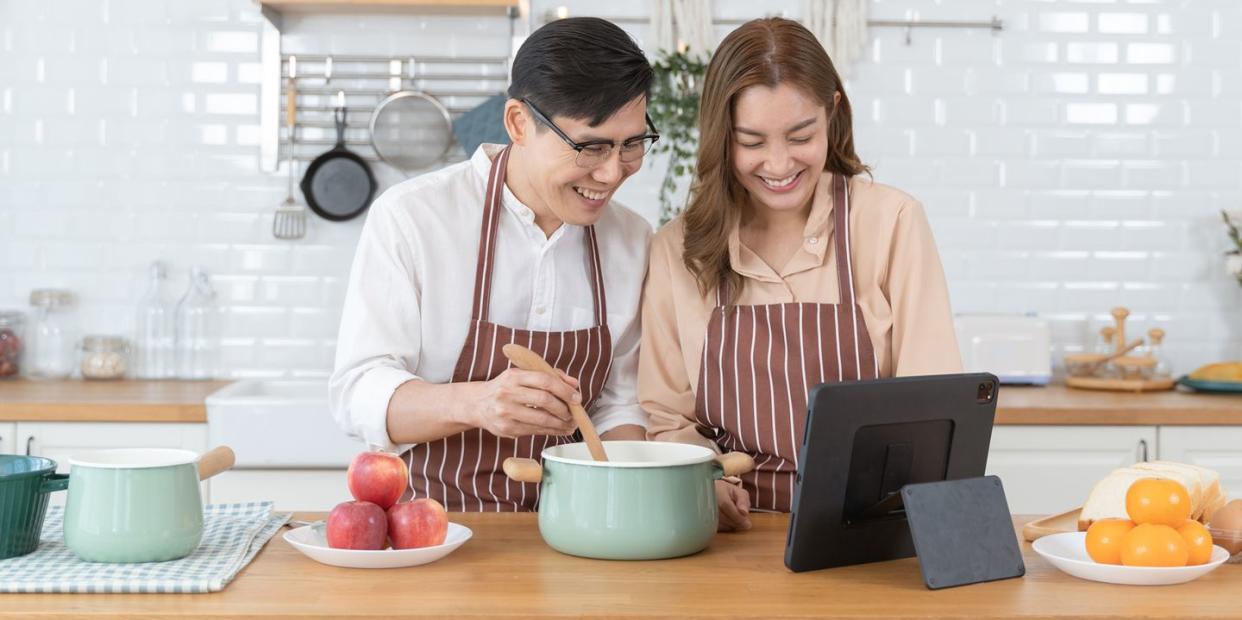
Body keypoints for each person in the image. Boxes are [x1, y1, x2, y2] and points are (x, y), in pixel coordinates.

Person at [639, 17, 961, 531]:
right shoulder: (679, 248)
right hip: (730, 538)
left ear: (832, 112)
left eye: (800, 135)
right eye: (752, 141)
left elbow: (935, 404)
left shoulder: (890, 223)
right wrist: (703, 476)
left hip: (866, 533)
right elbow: (666, 416)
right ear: (722, 137)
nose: (779, 162)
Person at [331, 17, 657, 512]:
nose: (612, 172)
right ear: (518, 124)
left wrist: (630, 498)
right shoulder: (414, 218)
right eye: (590, 146)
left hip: (580, 529)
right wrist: (477, 403)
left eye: (631, 144)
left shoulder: (631, 239)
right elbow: (358, 392)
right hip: (436, 531)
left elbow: (619, 402)